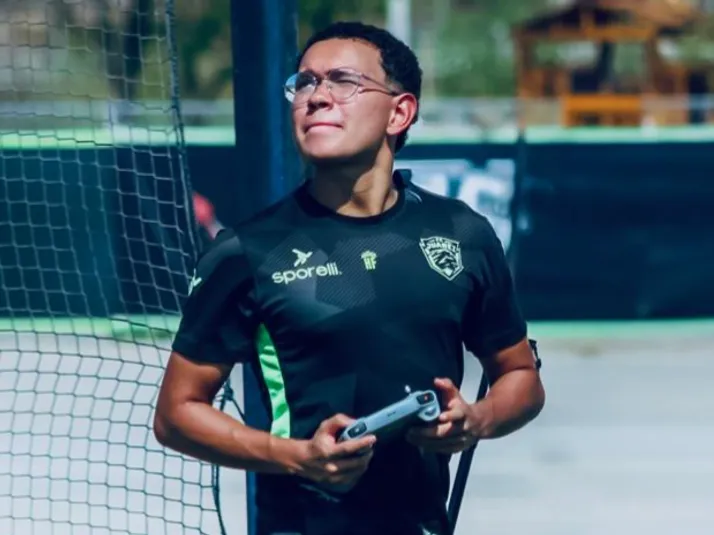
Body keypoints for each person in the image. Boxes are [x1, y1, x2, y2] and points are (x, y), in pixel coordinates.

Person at [153, 21, 545, 535]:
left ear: (400, 112)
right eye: (305, 83)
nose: (316, 97)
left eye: (343, 81)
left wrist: (475, 420)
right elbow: (176, 414)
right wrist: (295, 456)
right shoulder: (245, 252)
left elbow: (521, 377)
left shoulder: (461, 233)